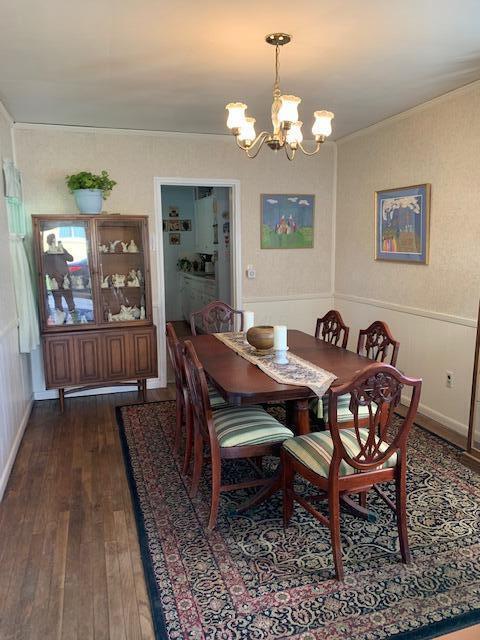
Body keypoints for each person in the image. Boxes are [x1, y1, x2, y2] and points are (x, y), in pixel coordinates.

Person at [44, 233, 76, 315]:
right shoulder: (46, 254)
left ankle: (74, 319)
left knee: (70, 300)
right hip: (55, 281)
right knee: (58, 302)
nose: (54, 243)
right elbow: (44, 268)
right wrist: (52, 277)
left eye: (55, 241)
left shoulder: (61, 251)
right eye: (52, 241)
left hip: (65, 280)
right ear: (49, 242)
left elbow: (71, 259)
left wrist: (62, 251)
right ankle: (60, 321)